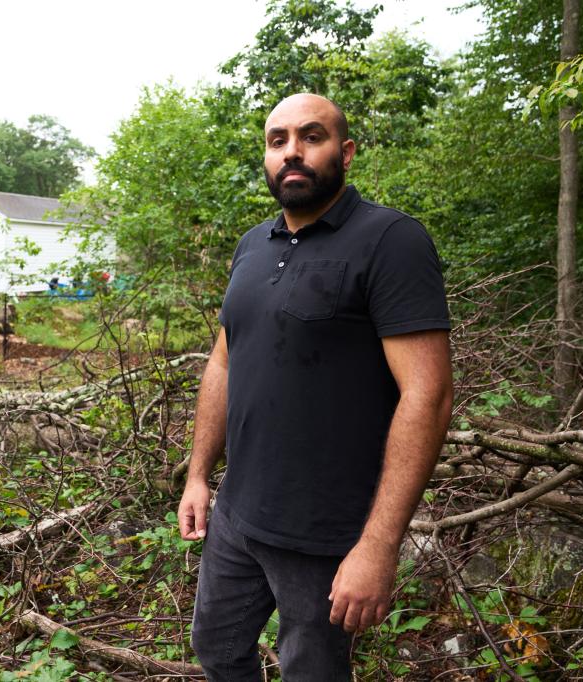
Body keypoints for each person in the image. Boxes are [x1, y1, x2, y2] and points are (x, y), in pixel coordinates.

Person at [178, 93, 453, 680]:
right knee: (217, 647)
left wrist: (378, 544)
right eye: (277, 141)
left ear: (346, 151)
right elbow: (225, 363)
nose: (292, 152)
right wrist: (199, 474)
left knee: (312, 672)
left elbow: (427, 396)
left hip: (326, 531)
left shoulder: (391, 240)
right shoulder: (254, 245)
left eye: (311, 136)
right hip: (238, 514)